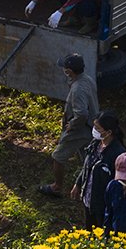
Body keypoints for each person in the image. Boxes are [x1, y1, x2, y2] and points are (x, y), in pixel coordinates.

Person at [40, 53, 99, 198]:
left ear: (70, 72)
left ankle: (57, 187)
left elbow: (82, 114)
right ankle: (90, 186)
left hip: (80, 129)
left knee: (58, 156)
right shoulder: (88, 79)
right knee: (88, 157)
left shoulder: (78, 89)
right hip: (92, 126)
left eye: (65, 68)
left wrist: (71, 125)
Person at [72, 111, 126, 228]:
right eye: (94, 126)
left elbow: (120, 184)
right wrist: (78, 183)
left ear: (108, 132)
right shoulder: (96, 143)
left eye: (97, 128)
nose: (94, 130)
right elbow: (88, 165)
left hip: (103, 205)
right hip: (89, 199)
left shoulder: (118, 154)